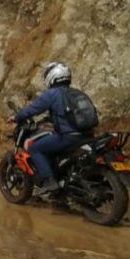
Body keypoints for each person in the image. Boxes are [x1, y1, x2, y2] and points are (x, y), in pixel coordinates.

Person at [8, 61, 85, 196]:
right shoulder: (76, 93)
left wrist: (17, 117)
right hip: (86, 135)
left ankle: (50, 182)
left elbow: (33, 109)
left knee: (35, 148)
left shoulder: (52, 94)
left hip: (69, 137)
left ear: (52, 76)